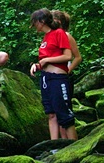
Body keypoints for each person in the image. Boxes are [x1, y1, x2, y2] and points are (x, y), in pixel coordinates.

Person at [29, 8, 78, 140]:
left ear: (42, 21)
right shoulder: (45, 38)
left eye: (35, 22)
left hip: (58, 78)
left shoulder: (59, 33)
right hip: (46, 79)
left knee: (65, 115)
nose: (34, 26)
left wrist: (47, 60)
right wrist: (37, 65)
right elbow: (46, 59)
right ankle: (54, 148)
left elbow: (67, 56)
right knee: (51, 114)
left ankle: (76, 148)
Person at [51, 9, 82, 139]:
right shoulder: (52, 36)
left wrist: (68, 71)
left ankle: (71, 144)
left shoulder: (66, 36)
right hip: (54, 78)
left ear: (57, 22)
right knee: (56, 112)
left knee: (64, 111)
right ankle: (62, 143)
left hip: (64, 77)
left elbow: (77, 57)